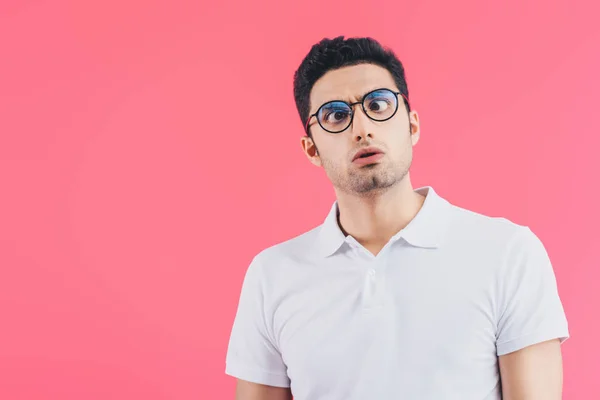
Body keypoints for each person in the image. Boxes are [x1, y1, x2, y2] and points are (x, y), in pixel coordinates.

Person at [225, 36, 569, 400]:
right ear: (312, 148)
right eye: (336, 115)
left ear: (412, 125)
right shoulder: (272, 274)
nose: (362, 129)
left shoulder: (508, 253)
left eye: (378, 104)